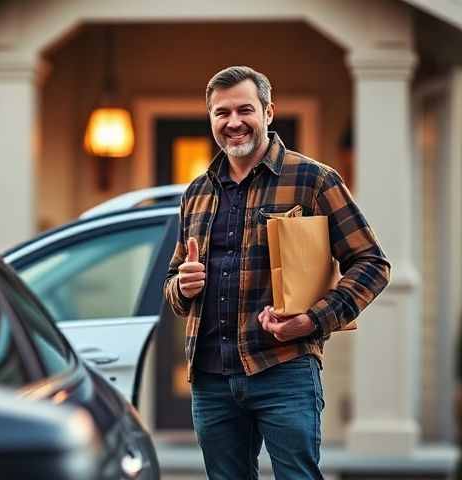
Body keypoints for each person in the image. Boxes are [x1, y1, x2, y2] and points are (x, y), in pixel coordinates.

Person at [163, 65, 391, 479]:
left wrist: (313, 320)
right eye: (221, 113)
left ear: (269, 112)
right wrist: (183, 285)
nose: (233, 122)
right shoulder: (196, 192)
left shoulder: (314, 180)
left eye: (245, 110)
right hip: (211, 379)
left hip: (284, 371)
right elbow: (173, 285)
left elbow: (372, 264)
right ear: (211, 118)